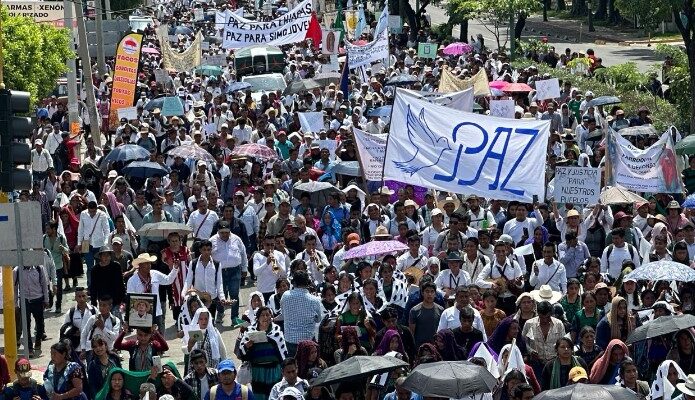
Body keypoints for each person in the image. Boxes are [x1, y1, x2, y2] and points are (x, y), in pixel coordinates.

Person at [239, 306, 288, 400]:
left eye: (267, 315)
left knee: (274, 394)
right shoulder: (250, 331)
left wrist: (269, 339)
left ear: (271, 317)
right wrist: (247, 346)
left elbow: (282, 351)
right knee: (259, 396)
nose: (265, 317)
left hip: (274, 370)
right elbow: (242, 351)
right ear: (257, 318)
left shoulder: (276, 331)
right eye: (262, 315)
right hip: (258, 371)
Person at [280, 270, 322, 356]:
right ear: (308, 283)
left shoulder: (285, 296)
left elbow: (284, 315)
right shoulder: (315, 300)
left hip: (290, 340)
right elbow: (318, 319)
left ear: (294, 283)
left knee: (294, 367)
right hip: (308, 340)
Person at [13, 261, 49, 355]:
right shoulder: (17, 270)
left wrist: (46, 299)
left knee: (40, 324)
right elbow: (15, 288)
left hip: (38, 300)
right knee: (26, 325)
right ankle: (29, 349)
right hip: (25, 301)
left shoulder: (39, 268)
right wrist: (15, 304)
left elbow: (44, 285)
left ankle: (38, 341)